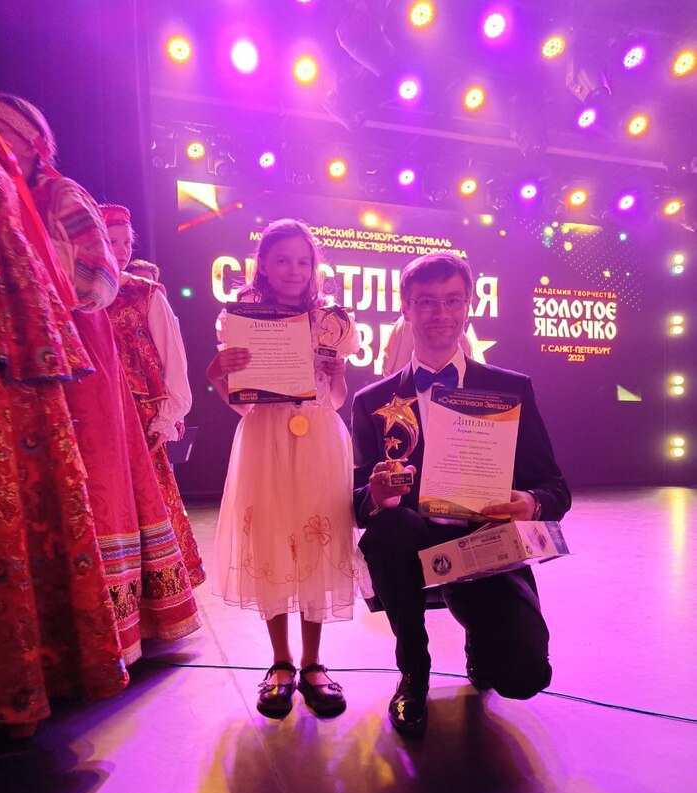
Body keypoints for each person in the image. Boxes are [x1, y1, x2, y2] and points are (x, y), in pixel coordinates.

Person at [0, 94, 200, 662]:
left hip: (82, 369)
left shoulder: (61, 198)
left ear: (30, 145)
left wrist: (30, 273)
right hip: (28, 362)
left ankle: (116, 624)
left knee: (104, 485)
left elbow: (97, 286)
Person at [351, 252, 571, 735]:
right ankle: (413, 668)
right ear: (405, 308)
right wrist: (376, 496)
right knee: (390, 528)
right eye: (426, 302)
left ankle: (479, 635)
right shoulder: (372, 402)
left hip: (486, 544)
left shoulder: (510, 388)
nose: (441, 313)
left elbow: (555, 487)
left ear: (469, 306)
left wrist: (530, 502)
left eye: (452, 300)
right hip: (412, 543)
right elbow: (357, 501)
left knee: (523, 675)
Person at [0, 136, 129, 736]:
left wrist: (47, 287)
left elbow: (99, 281)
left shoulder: (60, 194)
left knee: (82, 482)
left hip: (61, 344)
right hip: (41, 346)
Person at [207, 219, 359, 719]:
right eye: (283, 260)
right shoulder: (241, 317)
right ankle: (280, 662)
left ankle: (314, 663)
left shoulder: (332, 321)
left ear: (314, 267)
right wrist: (217, 376)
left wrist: (338, 376)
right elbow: (244, 403)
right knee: (272, 542)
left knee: (317, 543)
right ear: (264, 265)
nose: (294, 270)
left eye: (303, 261)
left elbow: (335, 400)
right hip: (265, 440)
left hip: (318, 440)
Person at [100, 203, 205, 587]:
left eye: (126, 243)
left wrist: (167, 417)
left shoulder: (144, 293)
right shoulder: (72, 293)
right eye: (111, 241)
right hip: (95, 416)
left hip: (138, 417)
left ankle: (155, 594)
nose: (121, 250)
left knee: (147, 501)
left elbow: (173, 359)